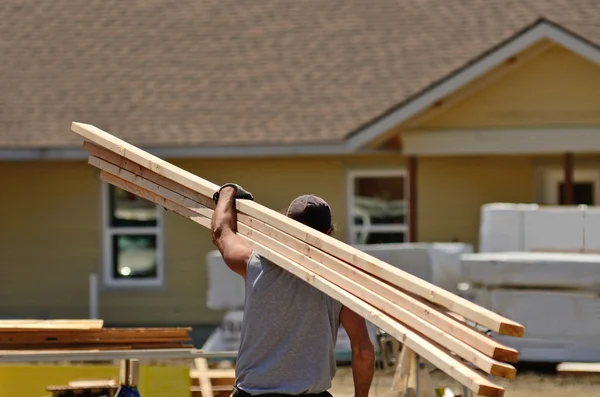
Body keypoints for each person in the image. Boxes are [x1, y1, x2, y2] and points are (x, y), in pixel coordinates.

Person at [211, 183, 375, 397]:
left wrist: (228, 191)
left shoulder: (256, 265)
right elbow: (363, 351)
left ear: (287, 228)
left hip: (254, 393)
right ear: (328, 233)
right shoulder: (340, 283)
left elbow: (221, 232)